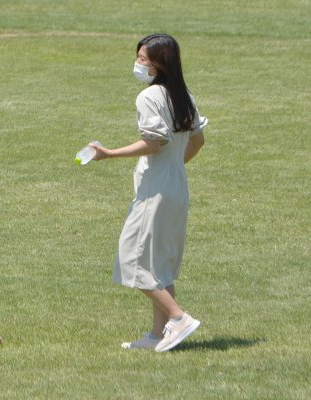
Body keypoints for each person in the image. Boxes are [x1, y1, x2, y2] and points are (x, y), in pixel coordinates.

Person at [90, 34, 208, 352]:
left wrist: (109, 153)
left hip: (155, 191)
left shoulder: (149, 97)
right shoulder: (183, 95)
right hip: (176, 187)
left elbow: (153, 144)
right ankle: (158, 334)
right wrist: (174, 168)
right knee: (160, 264)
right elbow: (197, 140)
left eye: (144, 58)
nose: (139, 63)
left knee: (133, 261)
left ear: (160, 64)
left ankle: (178, 318)